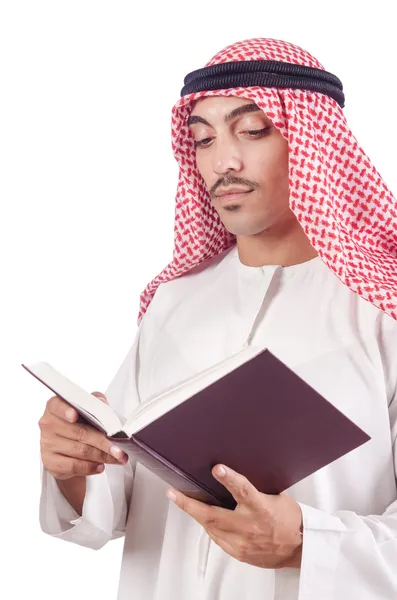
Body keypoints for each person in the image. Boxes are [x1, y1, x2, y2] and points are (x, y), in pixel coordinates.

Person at [38, 37, 397, 600]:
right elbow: (119, 505)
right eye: (203, 139)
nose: (222, 161)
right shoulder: (174, 301)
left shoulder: (383, 309)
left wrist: (307, 540)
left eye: (252, 131)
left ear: (312, 143)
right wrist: (74, 466)